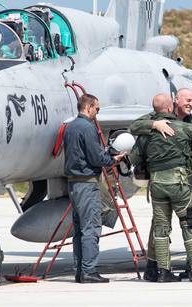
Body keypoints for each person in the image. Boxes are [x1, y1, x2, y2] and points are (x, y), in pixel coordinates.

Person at [129, 88, 192, 281]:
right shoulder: (180, 126)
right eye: (188, 100)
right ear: (173, 103)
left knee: (161, 226)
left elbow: (134, 154)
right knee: (189, 223)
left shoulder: (148, 132)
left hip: (158, 183)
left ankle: (162, 271)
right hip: (180, 182)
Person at [63, 94, 125, 283]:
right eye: (97, 109)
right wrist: (112, 159)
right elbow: (96, 158)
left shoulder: (70, 127)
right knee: (91, 227)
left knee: (80, 228)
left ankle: (80, 270)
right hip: (87, 183)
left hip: (73, 184)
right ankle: (88, 271)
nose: (98, 112)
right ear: (89, 107)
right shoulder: (88, 128)